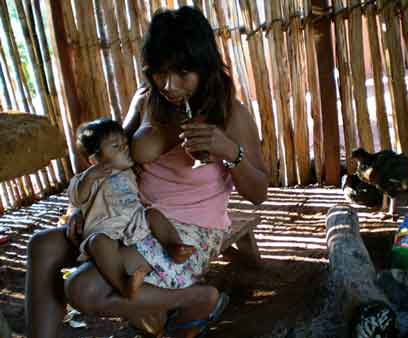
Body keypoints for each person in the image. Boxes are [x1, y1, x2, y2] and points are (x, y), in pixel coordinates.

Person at [25, 5, 268, 338]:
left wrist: (231, 152)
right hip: (129, 214)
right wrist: (78, 209)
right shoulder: (146, 100)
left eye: (182, 73)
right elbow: (108, 159)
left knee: (83, 290)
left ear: (204, 66)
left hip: (185, 230)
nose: (169, 84)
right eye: (160, 72)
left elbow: (258, 194)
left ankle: (198, 298)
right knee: (43, 246)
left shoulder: (230, 115)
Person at [69, 118, 196, 299]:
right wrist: (89, 178)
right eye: (115, 146)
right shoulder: (87, 178)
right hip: (106, 229)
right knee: (98, 242)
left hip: (133, 222)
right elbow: (77, 198)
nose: (124, 148)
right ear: (95, 159)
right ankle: (123, 284)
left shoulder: (129, 173)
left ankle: (173, 246)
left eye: (125, 143)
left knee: (152, 214)